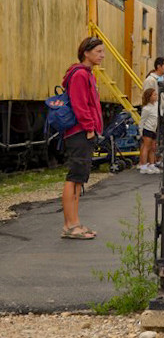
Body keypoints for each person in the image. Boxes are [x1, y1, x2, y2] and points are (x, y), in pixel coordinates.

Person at [60, 36, 105, 240]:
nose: (102, 55)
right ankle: (69, 226)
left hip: (83, 131)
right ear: (86, 53)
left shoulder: (87, 74)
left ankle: (75, 222)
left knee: (80, 179)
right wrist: (89, 127)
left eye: (102, 52)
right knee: (74, 177)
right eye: (98, 52)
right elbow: (80, 104)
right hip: (80, 132)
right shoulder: (79, 75)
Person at [138, 87, 161, 174]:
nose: (156, 96)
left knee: (153, 148)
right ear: (149, 97)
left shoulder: (157, 105)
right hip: (148, 129)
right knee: (146, 147)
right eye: (154, 95)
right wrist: (141, 132)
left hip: (154, 129)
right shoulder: (146, 108)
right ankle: (143, 165)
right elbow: (142, 121)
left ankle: (152, 164)